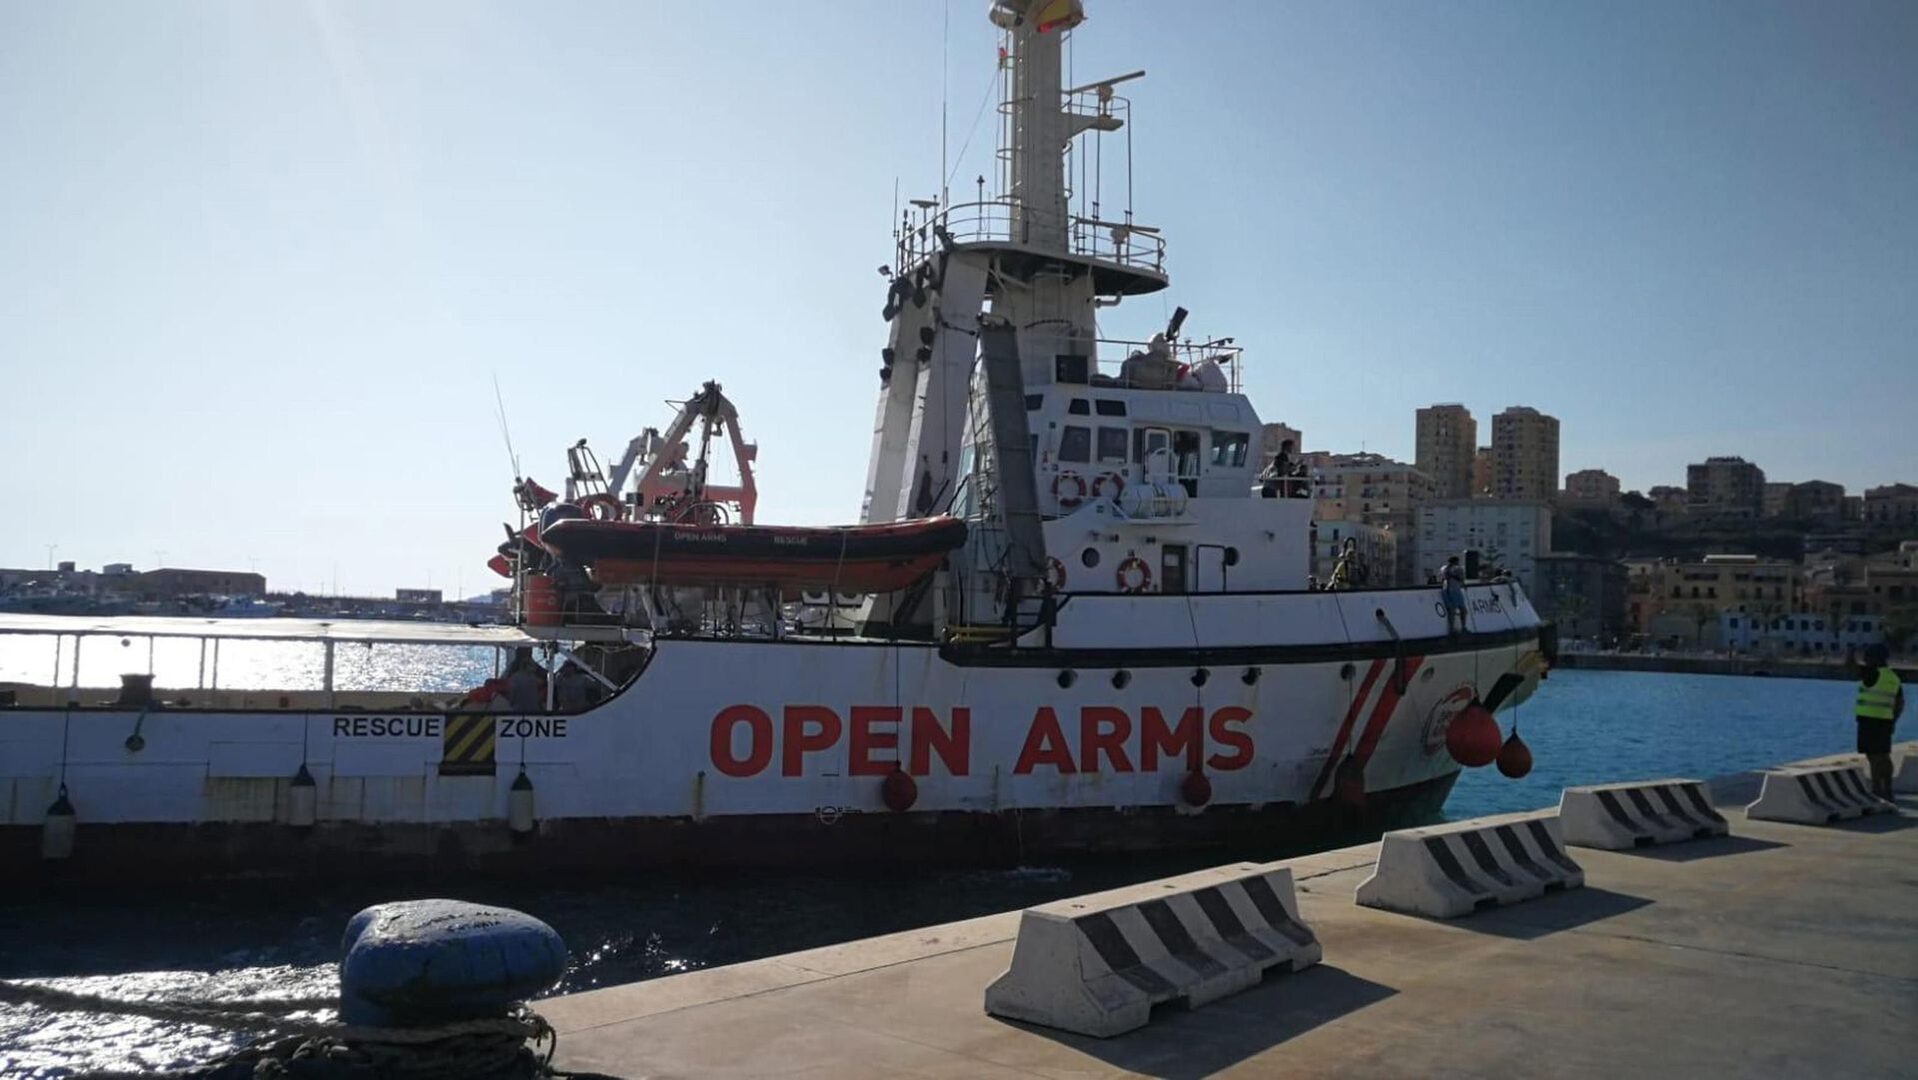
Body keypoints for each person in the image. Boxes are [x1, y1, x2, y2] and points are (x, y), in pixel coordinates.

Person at [1855, 643, 1904, 799]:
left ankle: (1877, 790)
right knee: (1884, 756)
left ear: (1875, 658)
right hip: (1885, 721)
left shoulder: (1872, 673)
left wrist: (1850, 652)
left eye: (1867, 657)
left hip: (1869, 722)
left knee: (1873, 757)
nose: (1865, 660)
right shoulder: (1893, 677)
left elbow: (1849, 667)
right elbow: (1900, 703)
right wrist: (1893, 720)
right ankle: (1887, 789)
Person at [503, 647, 547, 713]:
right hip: (531, 710)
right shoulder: (533, 677)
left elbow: (511, 698)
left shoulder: (514, 676)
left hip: (517, 710)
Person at [1441, 555, 1468, 634]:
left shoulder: (1444, 569)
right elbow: (1461, 578)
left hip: (1446, 589)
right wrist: (1464, 584)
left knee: (1452, 610)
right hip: (1454, 590)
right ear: (1456, 561)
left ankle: (1452, 628)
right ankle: (1462, 627)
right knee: (1461, 609)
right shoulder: (1457, 568)